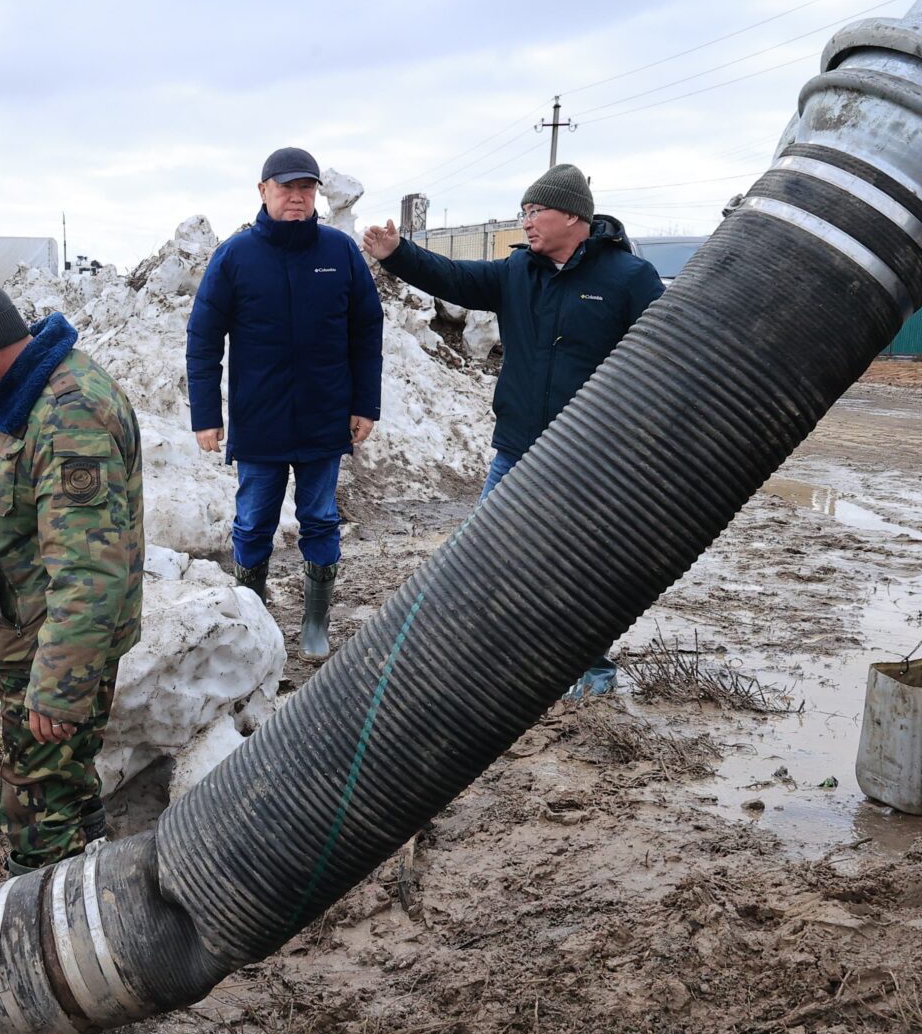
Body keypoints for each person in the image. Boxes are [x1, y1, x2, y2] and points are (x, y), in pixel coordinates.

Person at [362, 162, 664, 694]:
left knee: (581, 565)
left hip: (592, 455)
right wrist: (397, 254)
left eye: (534, 211)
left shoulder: (629, 279)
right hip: (519, 445)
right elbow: (453, 277)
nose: (524, 222)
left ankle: (591, 668)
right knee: (485, 550)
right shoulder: (517, 273)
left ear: (572, 215)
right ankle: (490, 653)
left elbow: (665, 360)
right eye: (522, 211)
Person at [0, 276, 145, 875]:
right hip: (38, 642)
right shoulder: (25, 398)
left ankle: (43, 946)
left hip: (53, 653)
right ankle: (93, 879)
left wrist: (58, 683)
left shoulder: (68, 415)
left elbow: (89, 568)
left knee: (36, 817)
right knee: (64, 786)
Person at [186, 146, 384, 660]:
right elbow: (203, 337)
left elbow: (367, 331)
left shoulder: (338, 253)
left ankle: (315, 624)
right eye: (286, 187)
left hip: (324, 417)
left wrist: (365, 403)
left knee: (319, 518)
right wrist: (207, 415)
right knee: (253, 522)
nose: (297, 197)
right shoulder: (235, 256)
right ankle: (253, 617)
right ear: (263, 191)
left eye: (306, 188)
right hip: (260, 421)